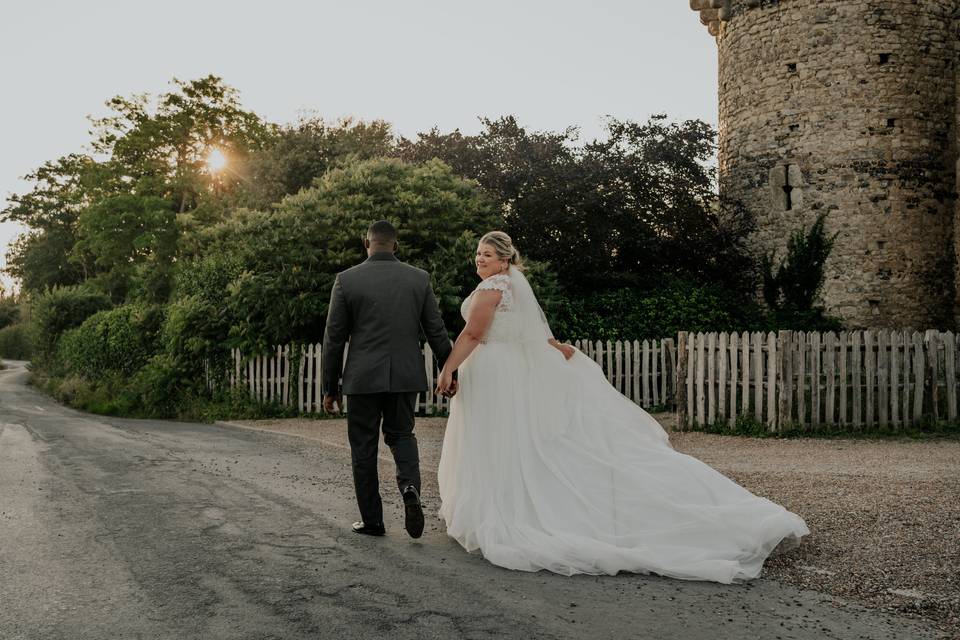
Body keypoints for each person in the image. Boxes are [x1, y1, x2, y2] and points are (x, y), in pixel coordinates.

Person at [434, 231, 810, 583]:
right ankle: (504, 501)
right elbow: (530, 332)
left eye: (486, 255)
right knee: (512, 439)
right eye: (478, 255)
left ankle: (504, 509)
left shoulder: (492, 287)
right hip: (509, 369)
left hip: (496, 370)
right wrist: (555, 347)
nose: (479, 260)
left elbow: (472, 333)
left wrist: (449, 366)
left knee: (499, 439)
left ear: (503, 260)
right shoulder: (512, 285)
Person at [322, 220, 456, 539]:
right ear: (395, 246)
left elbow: (333, 339)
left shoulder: (346, 280)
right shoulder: (418, 278)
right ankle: (410, 487)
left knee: (364, 448)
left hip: (362, 379)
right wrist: (451, 370)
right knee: (402, 435)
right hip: (406, 375)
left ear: (366, 244)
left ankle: (373, 521)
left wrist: (330, 388)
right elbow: (436, 330)